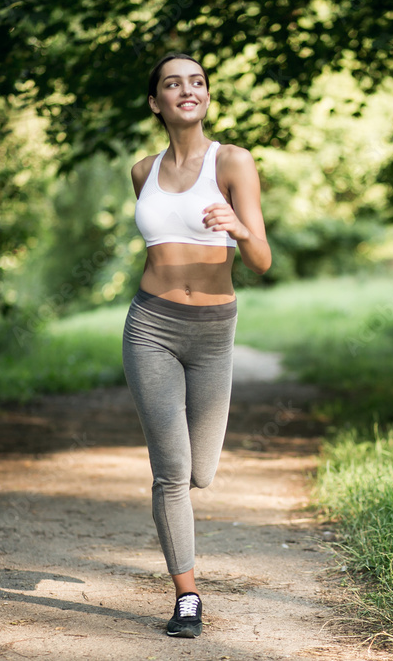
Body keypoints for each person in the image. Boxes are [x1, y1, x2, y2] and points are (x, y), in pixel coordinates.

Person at [122, 52, 271, 639]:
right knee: (171, 472)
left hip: (213, 331)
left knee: (200, 473)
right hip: (151, 326)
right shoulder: (142, 171)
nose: (188, 89)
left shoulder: (232, 161)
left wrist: (239, 228)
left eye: (198, 81)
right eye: (173, 83)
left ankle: (174, 502)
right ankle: (187, 596)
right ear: (155, 102)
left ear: (206, 96)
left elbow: (261, 260)